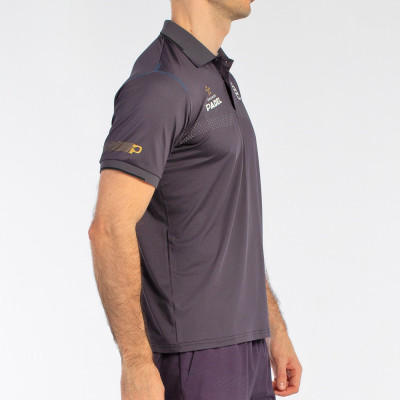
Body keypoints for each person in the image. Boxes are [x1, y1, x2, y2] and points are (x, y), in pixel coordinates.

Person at [88, 1, 302, 399]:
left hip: (248, 346)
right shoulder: (160, 84)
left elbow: (229, 222)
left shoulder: (216, 75)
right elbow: (109, 227)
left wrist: (274, 326)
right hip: (195, 356)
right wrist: (136, 361)